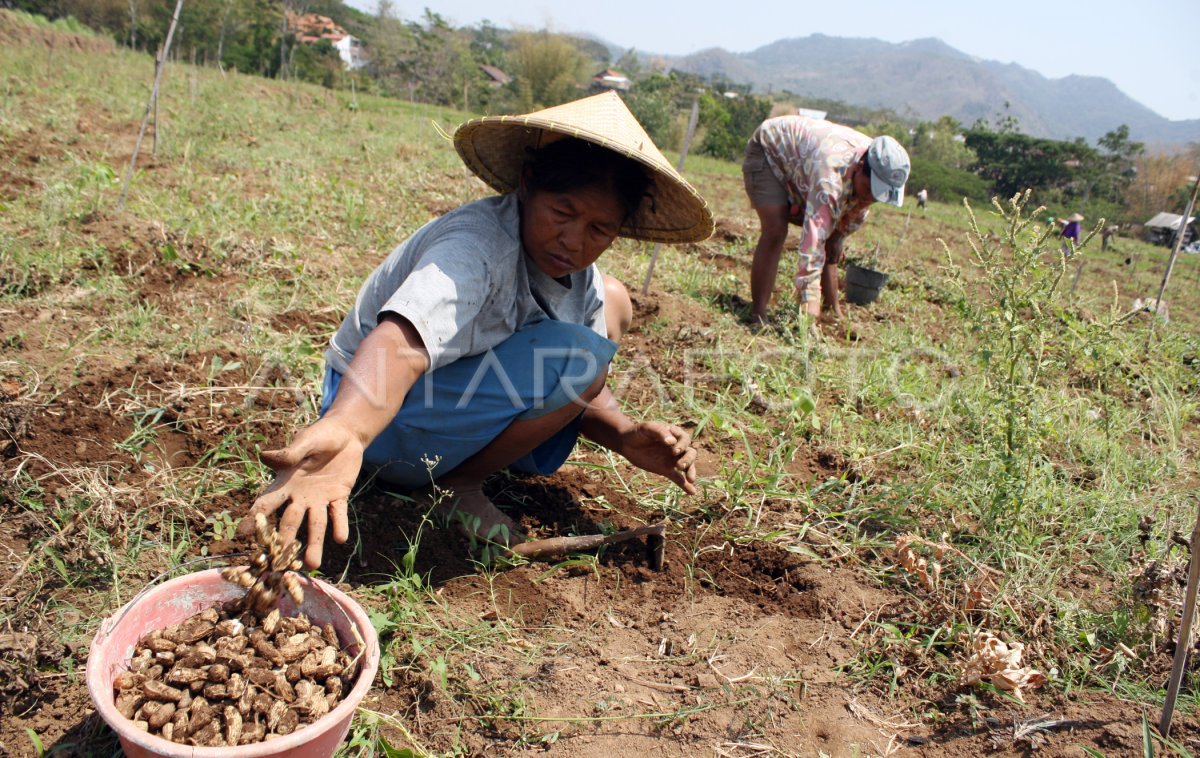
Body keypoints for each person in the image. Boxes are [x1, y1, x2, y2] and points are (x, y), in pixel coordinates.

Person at [240, 92, 715, 568]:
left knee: (612, 304)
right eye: (563, 213)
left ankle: (458, 470)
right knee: (574, 354)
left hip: (434, 408)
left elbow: (583, 387)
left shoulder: (581, 279)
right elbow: (400, 343)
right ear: (528, 185)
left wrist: (626, 435)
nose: (573, 240)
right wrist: (347, 429)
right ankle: (457, 485)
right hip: (376, 415)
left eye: (598, 229)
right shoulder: (475, 250)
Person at [742, 115, 910, 325]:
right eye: (869, 189)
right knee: (775, 230)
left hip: (806, 165)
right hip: (771, 152)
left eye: (878, 196)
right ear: (859, 167)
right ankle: (758, 314)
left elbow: (834, 233)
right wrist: (809, 303)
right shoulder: (830, 177)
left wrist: (838, 238)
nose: (869, 199)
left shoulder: (877, 168)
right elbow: (813, 242)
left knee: (831, 240)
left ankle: (833, 312)